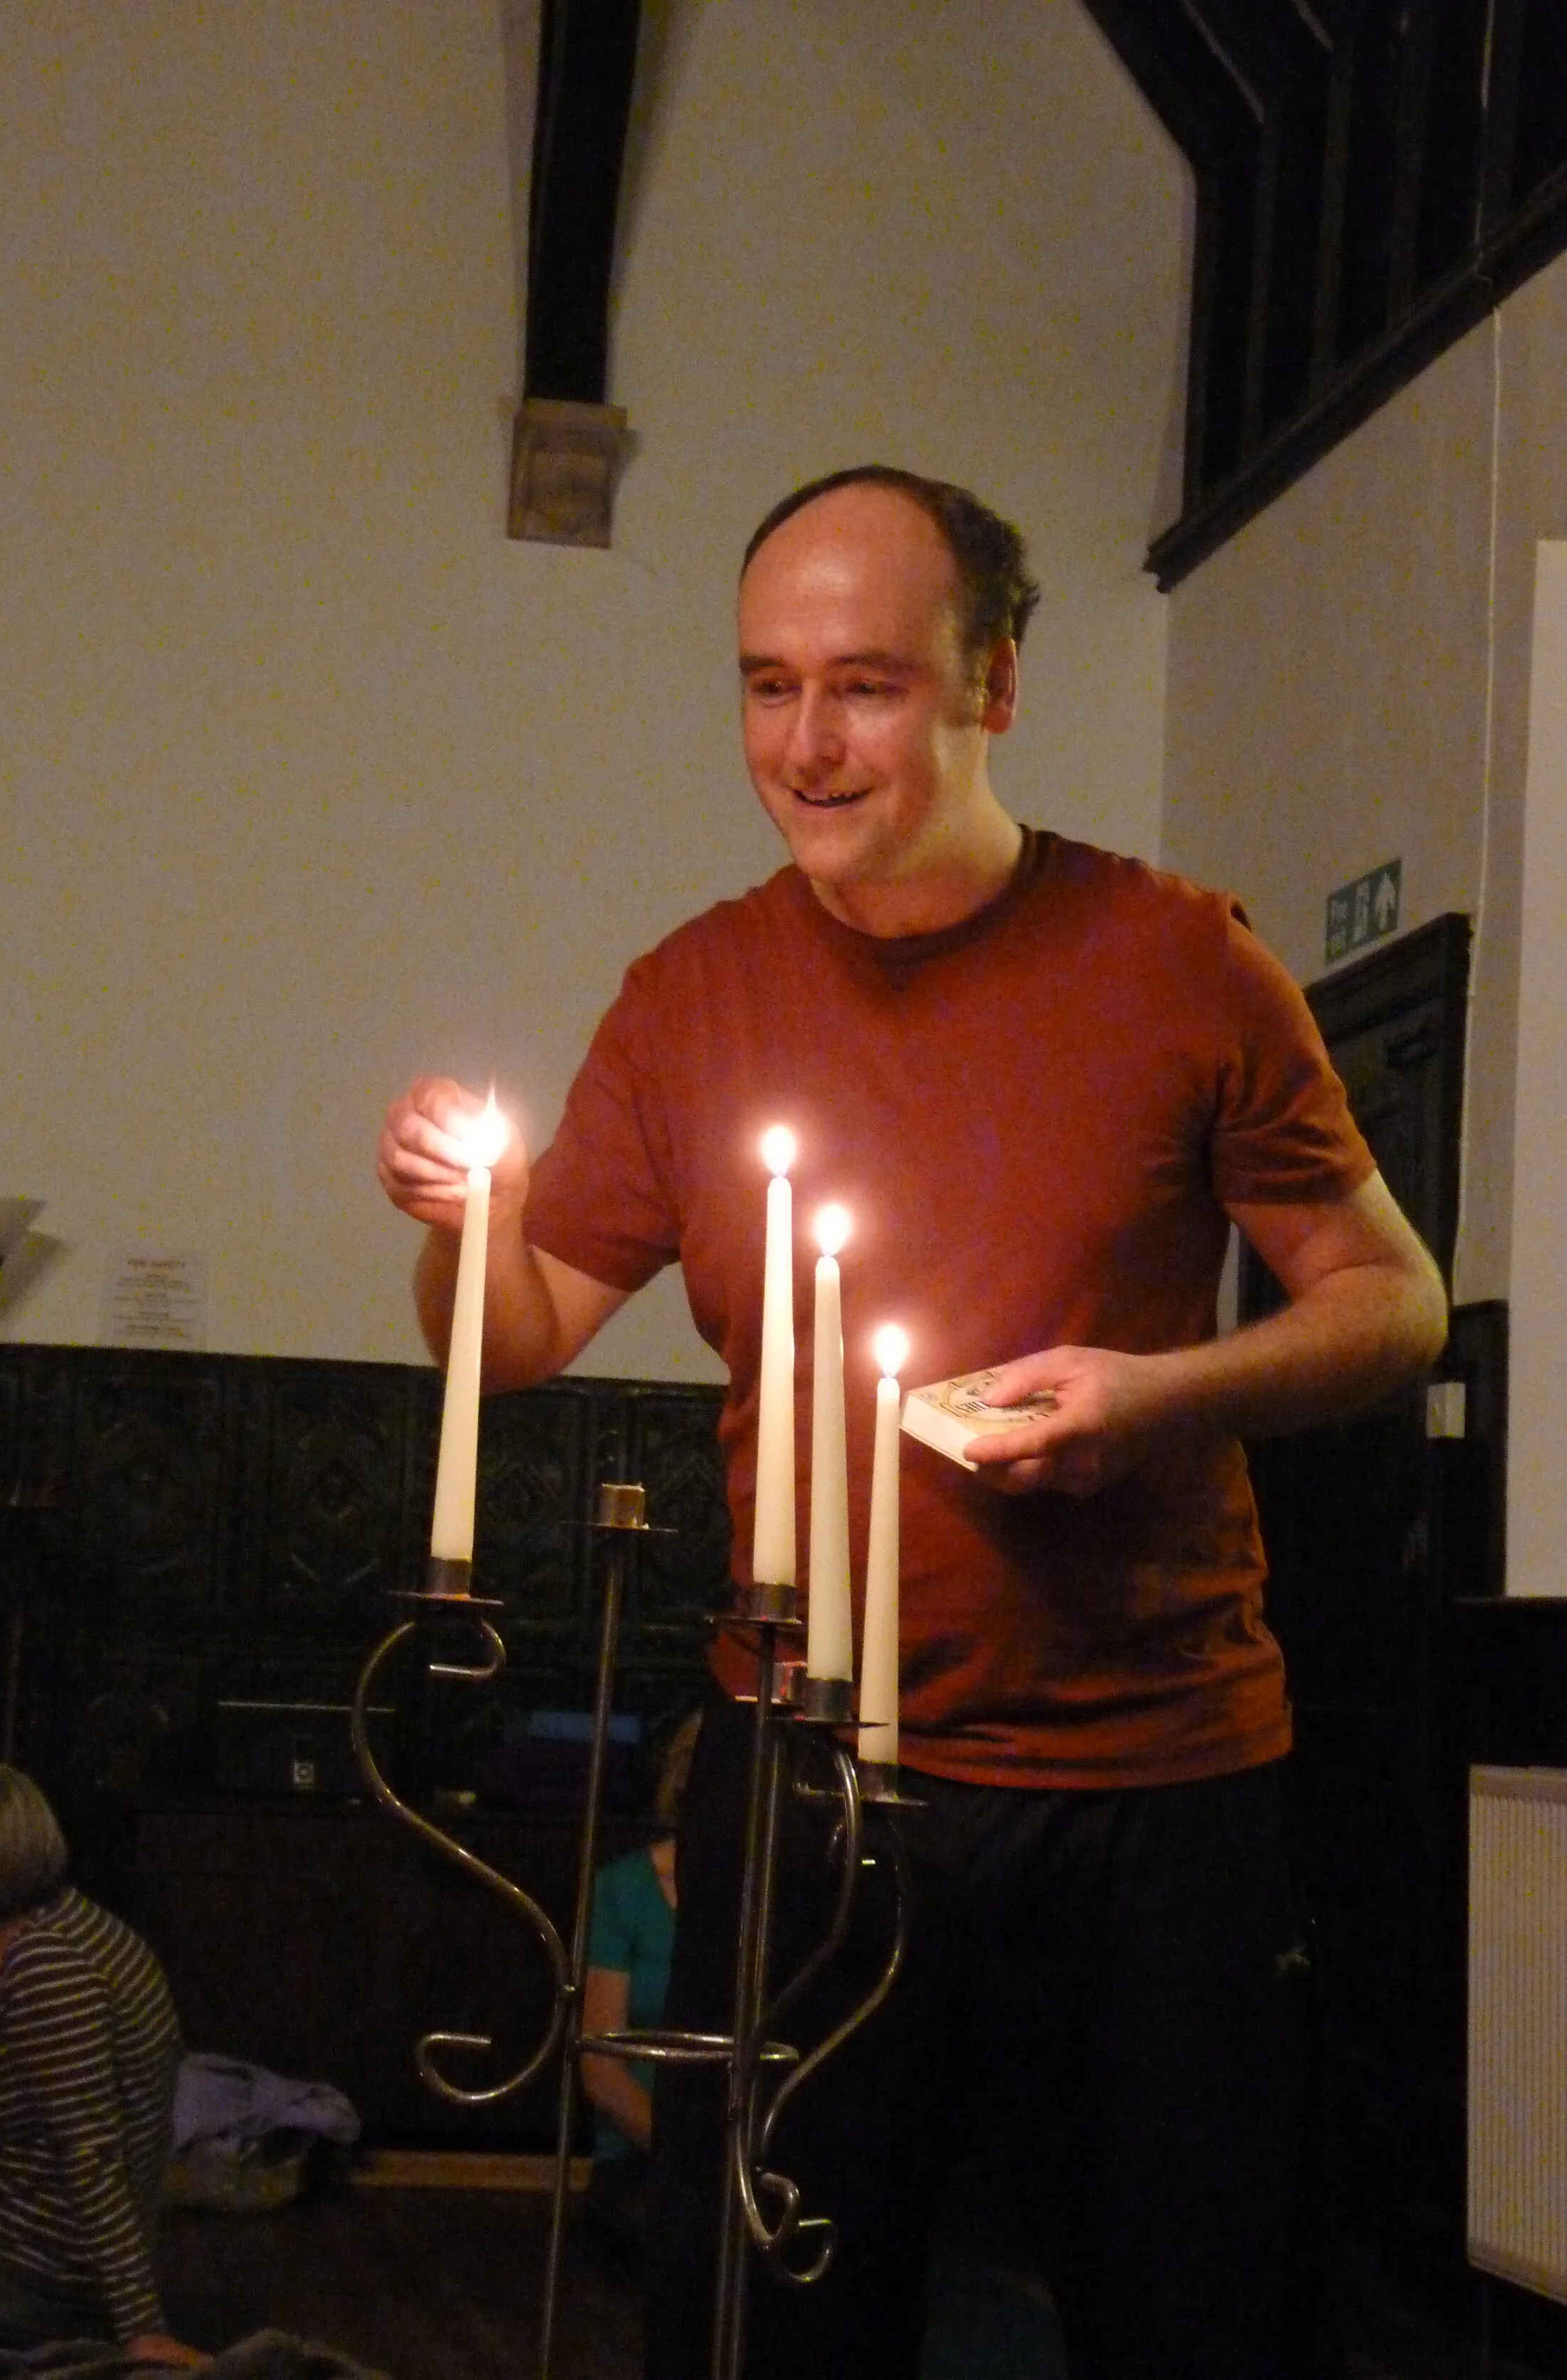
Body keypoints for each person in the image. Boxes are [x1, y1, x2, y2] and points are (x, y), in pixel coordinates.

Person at [376, 465, 1448, 2380]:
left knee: (1188, 2314)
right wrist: (465, 1233)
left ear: (995, 685)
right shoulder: (691, 994)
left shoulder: (1178, 958)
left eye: (862, 683)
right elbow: (519, 1331)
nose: (803, 740)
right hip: (802, 1765)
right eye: (764, 684)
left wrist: (1162, 1392)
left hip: (1156, 1778)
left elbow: (1391, 1301)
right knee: (772, 2316)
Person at [0, 1759, 196, 2361]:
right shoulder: (65, 1922)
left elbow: (91, 2152)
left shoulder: (51, 1971)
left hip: (2, 2277)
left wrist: (142, 2326)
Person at [578, 1712, 700, 2266]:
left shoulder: (769, 1897)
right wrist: (687, 2157)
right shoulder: (625, 1888)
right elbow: (602, 2067)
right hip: (642, 2155)